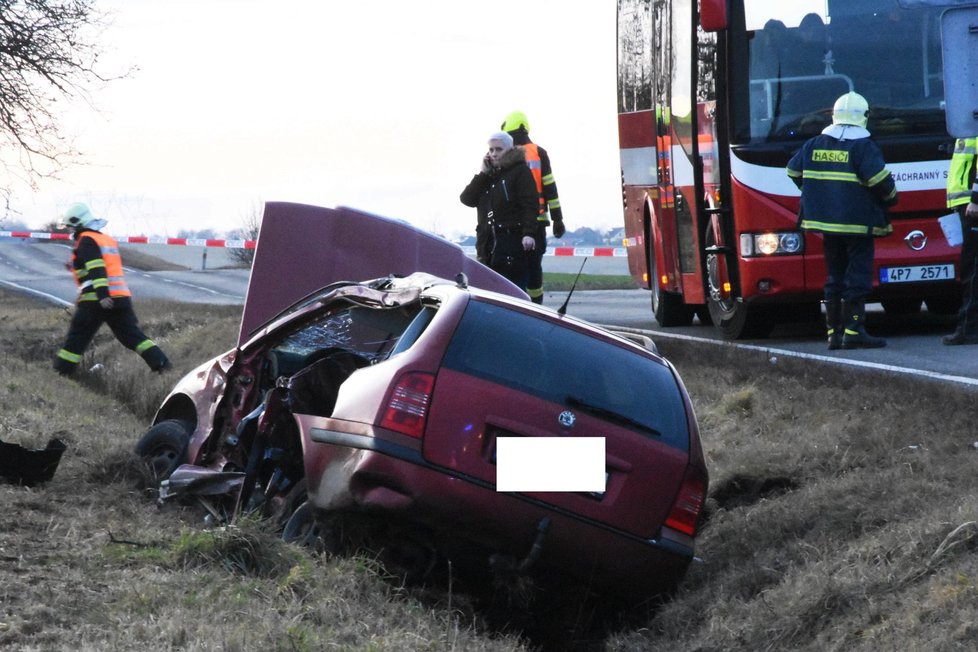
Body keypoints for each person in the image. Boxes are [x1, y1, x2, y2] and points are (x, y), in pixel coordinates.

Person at [786, 91, 898, 350]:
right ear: (865, 117)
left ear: (834, 116)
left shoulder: (814, 143)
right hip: (859, 224)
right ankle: (854, 329)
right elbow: (880, 182)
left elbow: (793, 170)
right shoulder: (863, 146)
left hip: (826, 224)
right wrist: (892, 199)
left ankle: (833, 334)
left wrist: (816, 191)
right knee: (857, 279)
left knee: (834, 277)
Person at [53, 203, 171, 376]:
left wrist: (102, 295)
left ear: (78, 224)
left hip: (96, 300)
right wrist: (75, 266)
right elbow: (105, 266)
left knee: (77, 338)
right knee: (132, 336)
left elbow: (97, 267)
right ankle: (162, 365)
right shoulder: (104, 239)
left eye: (70, 227)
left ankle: (61, 373)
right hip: (120, 297)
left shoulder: (86, 240)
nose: (70, 231)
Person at [460, 131, 540, 291]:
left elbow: (530, 205)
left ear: (509, 150)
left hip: (511, 248)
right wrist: (483, 174)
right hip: (487, 249)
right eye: (491, 150)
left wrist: (529, 233)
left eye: (498, 149)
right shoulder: (488, 177)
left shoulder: (521, 172)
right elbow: (467, 199)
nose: (494, 154)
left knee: (513, 294)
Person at [501, 110, 566, 304]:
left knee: (513, 270)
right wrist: (558, 219)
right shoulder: (539, 153)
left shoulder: (506, 155)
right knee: (534, 268)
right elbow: (550, 188)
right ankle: (536, 307)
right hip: (537, 222)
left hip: (513, 224)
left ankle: (517, 306)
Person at [942, 137, 978, 345]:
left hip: (972, 206)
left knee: (971, 269)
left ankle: (968, 328)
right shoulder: (966, 126)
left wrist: (976, 199)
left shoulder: (972, 127)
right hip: (966, 204)